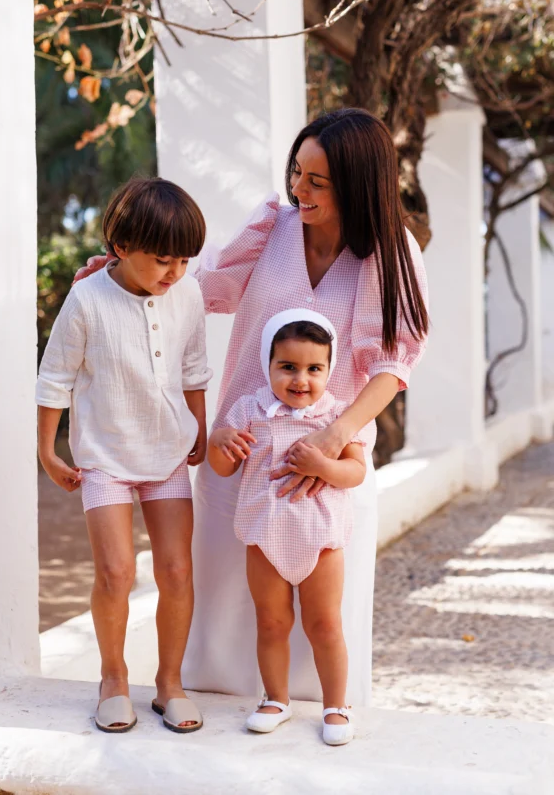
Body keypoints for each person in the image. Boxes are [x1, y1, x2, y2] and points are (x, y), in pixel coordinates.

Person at [184, 107, 429, 707]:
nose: (300, 189)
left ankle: (330, 715)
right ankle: (227, 732)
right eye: (298, 172)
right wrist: (125, 277)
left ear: (357, 184)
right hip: (241, 450)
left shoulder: (390, 253)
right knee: (228, 605)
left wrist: (331, 438)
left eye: (317, 181)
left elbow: (394, 363)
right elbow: (207, 287)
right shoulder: (272, 226)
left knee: (324, 619)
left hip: (330, 470)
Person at [37, 177, 211, 734]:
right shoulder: (87, 297)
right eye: (162, 260)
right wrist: (47, 450)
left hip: (167, 453)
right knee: (114, 572)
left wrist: (200, 428)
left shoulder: (189, 294)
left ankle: (170, 684)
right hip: (105, 456)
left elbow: (193, 369)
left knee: (178, 570)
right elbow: (54, 378)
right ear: (120, 246)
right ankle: (113, 678)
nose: (174, 273)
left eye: (183, 261)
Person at [208, 310, 366, 745]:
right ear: (269, 364)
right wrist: (218, 441)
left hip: (321, 539)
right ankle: (276, 698)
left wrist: (324, 464)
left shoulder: (336, 415)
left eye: (314, 369)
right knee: (271, 622)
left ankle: (337, 704)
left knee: (325, 624)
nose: (301, 379)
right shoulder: (249, 409)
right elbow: (222, 468)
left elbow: (356, 472)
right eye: (288, 367)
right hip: (264, 534)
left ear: (329, 370)